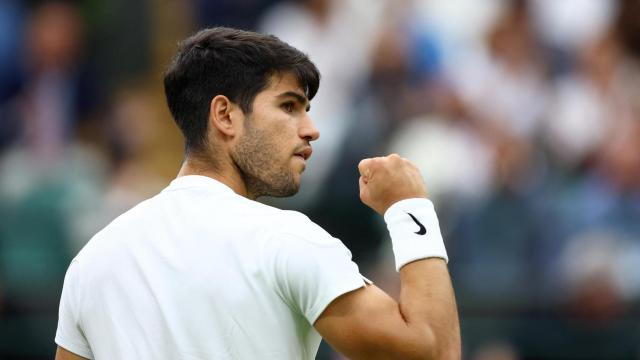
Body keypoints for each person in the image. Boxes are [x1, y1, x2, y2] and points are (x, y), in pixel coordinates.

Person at [55, 27, 461, 360]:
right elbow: (434, 351)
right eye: (289, 106)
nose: (310, 129)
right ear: (225, 115)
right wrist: (410, 206)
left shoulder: (91, 262)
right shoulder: (286, 240)